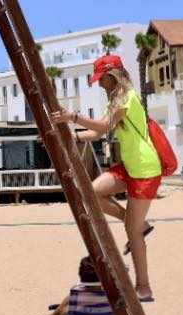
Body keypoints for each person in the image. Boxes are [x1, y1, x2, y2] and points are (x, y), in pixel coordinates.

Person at [51, 55, 162, 301]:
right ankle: (137, 223)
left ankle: (143, 287)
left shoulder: (127, 96)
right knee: (89, 193)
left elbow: (102, 126)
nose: (100, 84)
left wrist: (72, 117)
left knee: (131, 232)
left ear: (113, 76)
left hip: (145, 169)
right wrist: (71, 137)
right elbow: (99, 132)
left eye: (102, 79)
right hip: (130, 166)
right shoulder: (115, 99)